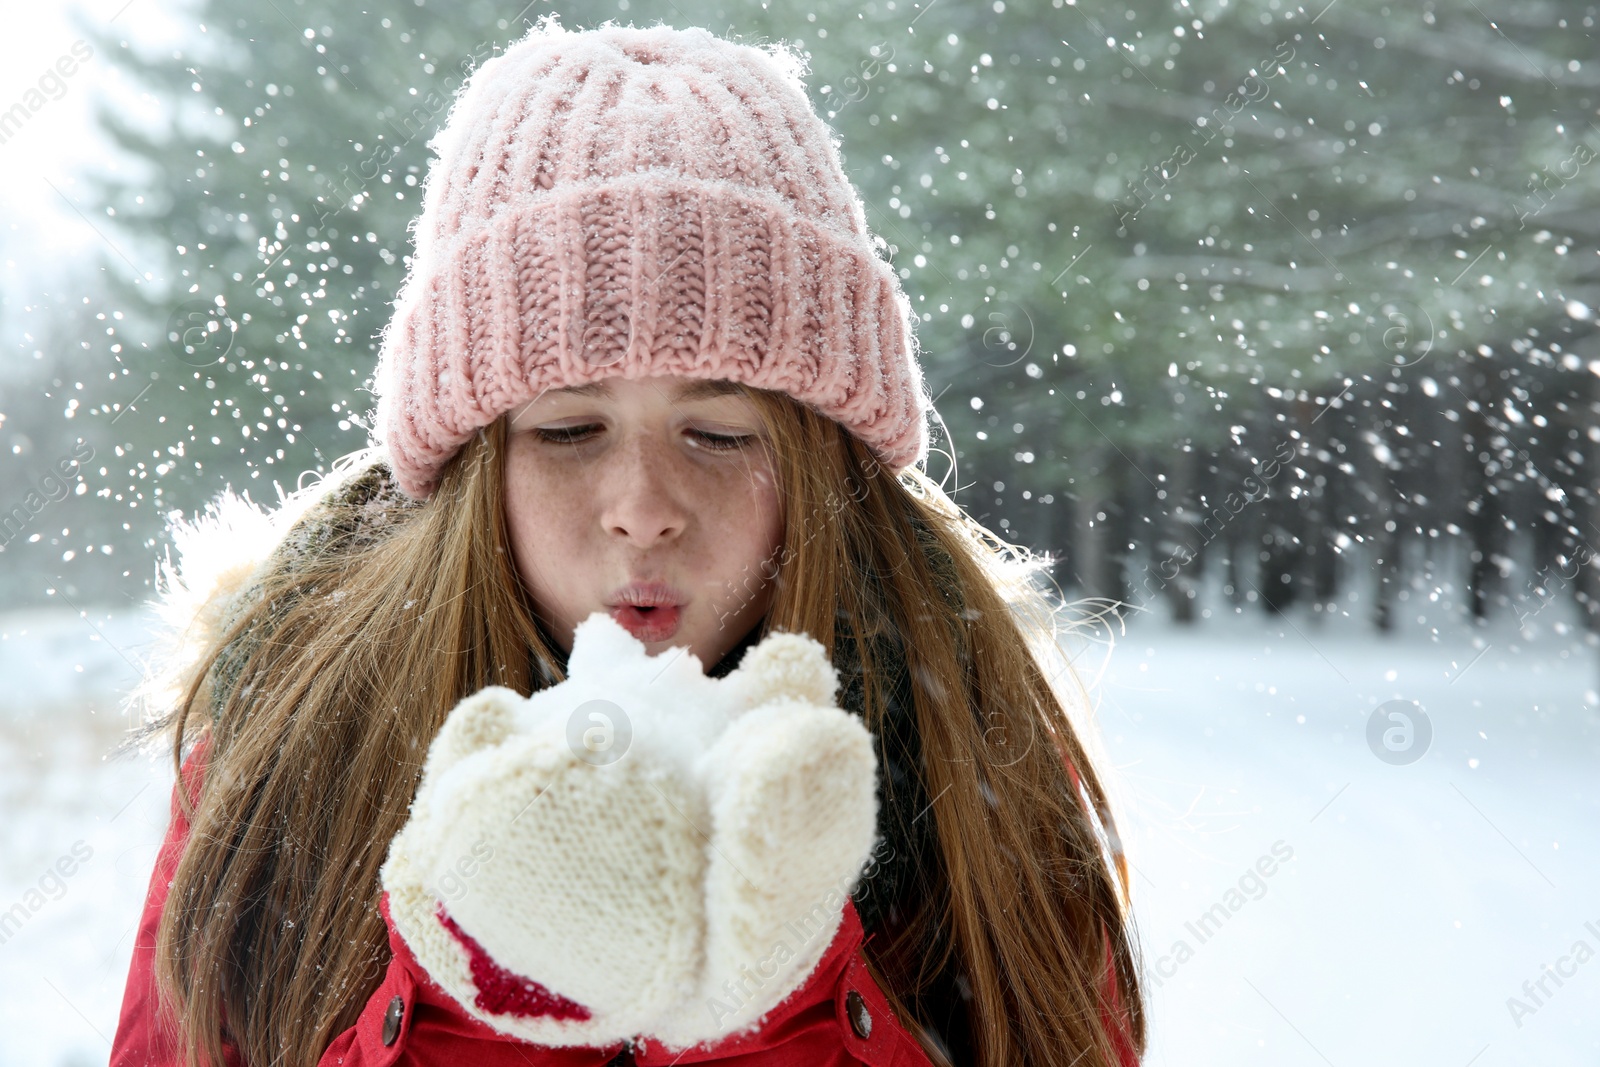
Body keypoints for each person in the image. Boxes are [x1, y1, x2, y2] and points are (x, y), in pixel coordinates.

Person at [109, 16, 1145, 1067]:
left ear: (824, 467)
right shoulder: (290, 741)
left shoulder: (971, 744)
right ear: (474, 469)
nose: (643, 505)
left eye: (719, 432)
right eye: (567, 430)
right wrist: (481, 993)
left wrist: (773, 1009)